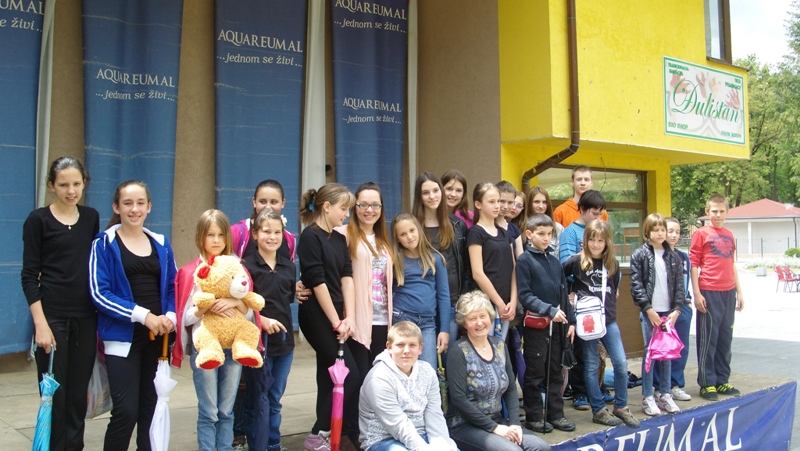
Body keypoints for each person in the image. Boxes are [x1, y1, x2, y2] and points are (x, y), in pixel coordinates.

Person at [89, 180, 177, 450]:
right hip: (122, 340)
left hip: (157, 339)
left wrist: (170, 317)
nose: (134, 209)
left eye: (140, 203)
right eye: (127, 203)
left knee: (150, 410)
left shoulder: (161, 243)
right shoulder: (104, 244)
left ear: (149, 207)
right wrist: (143, 315)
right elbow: (99, 293)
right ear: (116, 207)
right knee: (126, 411)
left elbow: (173, 286)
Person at [21, 156, 100, 450]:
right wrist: (40, 325)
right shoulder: (38, 220)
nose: (71, 191)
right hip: (52, 318)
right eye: (64, 184)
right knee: (55, 393)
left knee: (78, 395)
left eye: (77, 184)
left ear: (84, 184)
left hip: (85, 318)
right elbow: (29, 276)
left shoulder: (90, 217)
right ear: (51, 185)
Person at [174, 209, 251, 451]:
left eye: (220, 235)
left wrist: (234, 302)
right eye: (210, 235)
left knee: (226, 410)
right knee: (209, 411)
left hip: (233, 348)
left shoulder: (238, 269)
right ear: (200, 237)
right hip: (205, 348)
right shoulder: (191, 272)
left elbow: (250, 313)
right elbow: (185, 318)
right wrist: (204, 308)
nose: (216, 240)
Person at [230, 179, 296, 449]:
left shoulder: (288, 266)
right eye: (266, 231)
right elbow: (240, 303)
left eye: (277, 232)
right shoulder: (246, 267)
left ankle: (273, 444)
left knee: (275, 398)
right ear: (255, 234)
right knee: (258, 398)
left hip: (285, 344)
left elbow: (287, 298)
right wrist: (261, 321)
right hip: (257, 342)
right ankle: (255, 443)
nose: (272, 237)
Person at [297, 183, 361, 451]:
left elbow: (347, 277)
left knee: (328, 376)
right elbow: (317, 281)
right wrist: (336, 321)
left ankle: (326, 435)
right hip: (316, 315)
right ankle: (316, 435)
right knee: (350, 375)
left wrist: (350, 317)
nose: (346, 214)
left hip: (338, 316)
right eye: (343, 209)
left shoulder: (339, 238)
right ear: (326, 207)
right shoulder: (310, 237)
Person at [446, 291, 551, 451]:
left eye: (483, 316)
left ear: (490, 317)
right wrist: (494, 428)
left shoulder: (499, 345)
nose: (479, 323)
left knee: (541, 447)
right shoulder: (458, 351)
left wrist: (514, 423)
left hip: (497, 421)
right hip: (464, 425)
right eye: (472, 319)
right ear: (464, 323)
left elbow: (511, 389)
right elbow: (458, 399)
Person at [562, 220, 640, 428]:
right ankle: (598, 409)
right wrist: (570, 296)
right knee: (591, 364)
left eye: (600, 240)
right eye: (592, 240)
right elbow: (560, 280)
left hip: (608, 320)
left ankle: (621, 406)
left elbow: (614, 290)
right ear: (585, 240)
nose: (596, 244)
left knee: (621, 363)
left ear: (607, 242)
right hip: (587, 321)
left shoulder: (612, 263)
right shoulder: (576, 261)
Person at [516, 214, 576, 433]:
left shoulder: (554, 261)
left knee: (555, 371)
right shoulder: (524, 260)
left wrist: (571, 321)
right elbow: (525, 295)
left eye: (549, 234)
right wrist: (549, 310)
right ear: (529, 234)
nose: (546, 238)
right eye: (541, 234)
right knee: (535, 373)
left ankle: (555, 414)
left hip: (559, 325)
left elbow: (563, 293)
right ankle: (534, 416)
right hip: (537, 326)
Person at [359, 321, 457, 451]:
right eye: (400, 345)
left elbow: (434, 414)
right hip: (383, 440)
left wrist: (443, 446)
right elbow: (398, 425)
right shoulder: (378, 378)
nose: (406, 351)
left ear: (420, 348)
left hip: (423, 435)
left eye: (412, 345)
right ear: (389, 347)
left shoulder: (427, 371)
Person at [629, 213, 685, 416]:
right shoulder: (639, 255)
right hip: (650, 312)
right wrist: (648, 309)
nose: (660, 233)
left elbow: (679, 285)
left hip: (668, 313)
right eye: (656, 230)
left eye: (663, 229)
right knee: (650, 352)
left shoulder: (673, 256)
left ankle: (665, 393)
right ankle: (648, 396)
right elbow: (636, 285)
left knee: (667, 353)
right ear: (647, 232)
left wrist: (676, 310)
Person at [690, 194, 744, 401]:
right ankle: (707, 383)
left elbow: (732, 264)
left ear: (727, 212)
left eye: (722, 211)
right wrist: (697, 293)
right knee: (708, 340)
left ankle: (722, 380)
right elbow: (694, 264)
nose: (718, 215)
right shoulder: (701, 234)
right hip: (709, 292)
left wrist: (739, 292)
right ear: (707, 212)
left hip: (728, 292)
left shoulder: (729, 235)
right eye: (714, 211)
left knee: (724, 338)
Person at [334, 182, 394, 365]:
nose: (369, 210)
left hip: (382, 321)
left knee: (378, 375)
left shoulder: (384, 239)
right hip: (356, 321)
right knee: (358, 376)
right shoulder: (341, 234)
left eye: (375, 205)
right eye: (363, 205)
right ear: (354, 207)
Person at [412, 172, 468, 350]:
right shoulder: (412, 226)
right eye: (426, 192)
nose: (432, 196)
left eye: (436, 191)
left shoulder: (457, 225)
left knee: (447, 354)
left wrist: (462, 296)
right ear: (419, 196)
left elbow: (465, 265)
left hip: (451, 301)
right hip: (422, 304)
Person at [390, 212, 450, 369]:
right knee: (404, 367)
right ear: (397, 239)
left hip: (428, 323)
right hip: (402, 319)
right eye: (403, 234)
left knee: (428, 369)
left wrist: (444, 330)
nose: (409, 236)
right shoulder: (394, 260)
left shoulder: (435, 259)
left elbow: (444, 296)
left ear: (419, 230)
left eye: (412, 230)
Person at [467, 183, 517, 341]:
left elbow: (514, 269)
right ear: (478, 204)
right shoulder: (475, 233)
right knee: (484, 346)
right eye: (491, 202)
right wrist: (499, 303)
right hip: (485, 304)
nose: (497, 206)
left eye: (498, 201)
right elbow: (477, 273)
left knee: (500, 347)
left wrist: (513, 301)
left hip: (506, 304)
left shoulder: (504, 233)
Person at [653, 217, 693, 402]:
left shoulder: (683, 257)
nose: (674, 235)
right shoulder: (655, 255)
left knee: (679, 347)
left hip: (682, 307)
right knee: (659, 348)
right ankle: (658, 386)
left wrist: (687, 303)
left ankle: (675, 384)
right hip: (662, 309)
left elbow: (687, 281)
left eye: (677, 232)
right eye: (670, 231)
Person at [231, 179, 296, 262]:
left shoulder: (290, 240)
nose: (268, 207)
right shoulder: (237, 233)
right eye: (262, 201)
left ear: (283, 203)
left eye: (274, 202)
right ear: (254, 202)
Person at [558, 190, 607, 264]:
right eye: (594, 213)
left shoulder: (601, 230)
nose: (598, 218)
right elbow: (566, 264)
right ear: (582, 209)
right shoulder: (570, 232)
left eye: (600, 214)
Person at [525, 187, 564, 255]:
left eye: (544, 202)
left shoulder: (558, 228)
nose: (541, 206)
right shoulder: (521, 227)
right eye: (537, 202)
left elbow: (560, 256)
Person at [495, 181, 523, 258]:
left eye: (510, 202)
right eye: (502, 201)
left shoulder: (514, 229)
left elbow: (520, 258)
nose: (506, 206)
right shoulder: (484, 227)